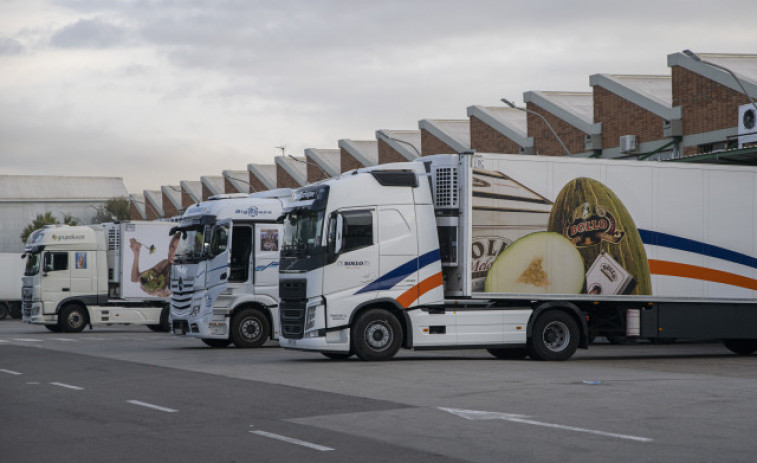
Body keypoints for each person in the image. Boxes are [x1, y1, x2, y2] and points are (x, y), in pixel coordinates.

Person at [130, 233, 179, 297]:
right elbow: (135, 278)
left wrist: (159, 293)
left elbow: (174, 295)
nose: (173, 253)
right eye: (172, 247)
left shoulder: (187, 271)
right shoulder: (164, 263)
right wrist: (136, 254)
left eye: (178, 250)